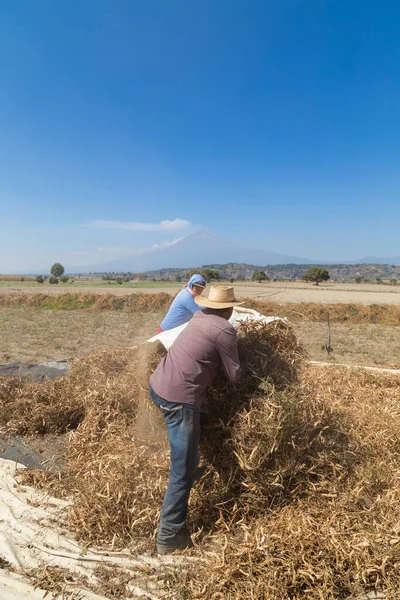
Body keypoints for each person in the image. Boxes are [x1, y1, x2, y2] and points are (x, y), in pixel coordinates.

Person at [150, 284, 244, 555]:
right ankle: (168, 538)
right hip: (180, 401)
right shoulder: (225, 329)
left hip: (158, 385)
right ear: (229, 308)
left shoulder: (198, 318)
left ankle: (191, 463)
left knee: (191, 439)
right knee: (181, 472)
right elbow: (235, 375)